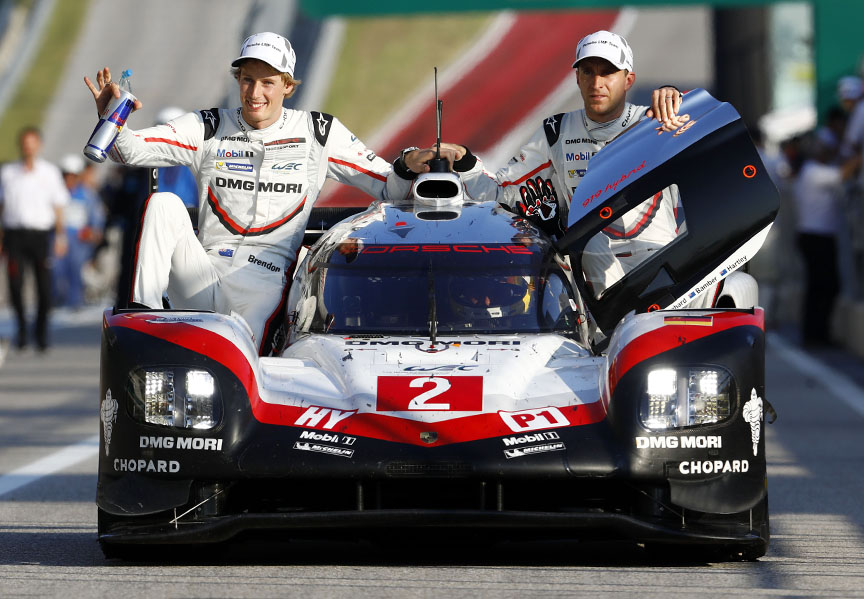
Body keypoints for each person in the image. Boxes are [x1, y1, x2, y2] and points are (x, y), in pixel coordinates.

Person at [84, 32, 406, 355]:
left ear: (288, 86)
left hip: (265, 284)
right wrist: (112, 121)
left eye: (267, 82)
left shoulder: (318, 133)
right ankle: (146, 327)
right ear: (238, 79)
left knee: (235, 366)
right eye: (247, 79)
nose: (255, 93)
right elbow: (132, 151)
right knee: (163, 203)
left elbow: (389, 184)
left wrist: (412, 166)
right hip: (204, 275)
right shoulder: (209, 125)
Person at [396, 30, 700, 301]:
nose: (597, 82)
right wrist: (465, 160)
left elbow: (709, 141)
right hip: (594, 274)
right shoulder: (556, 132)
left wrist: (679, 98)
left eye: (608, 73)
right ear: (577, 77)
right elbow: (500, 192)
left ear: (628, 80)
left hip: (663, 260)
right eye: (588, 71)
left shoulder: (659, 119)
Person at [0, 127, 69, 350]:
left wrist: (60, 236)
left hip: (40, 236)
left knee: (44, 286)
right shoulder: (8, 173)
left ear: (38, 145)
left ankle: (41, 332)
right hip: (15, 235)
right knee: (15, 284)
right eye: (25, 143)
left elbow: (58, 207)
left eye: (32, 143)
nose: (28, 147)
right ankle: (21, 330)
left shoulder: (49, 173)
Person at [793, 133, 861, 346]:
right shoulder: (815, 172)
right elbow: (843, 174)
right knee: (824, 287)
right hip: (817, 237)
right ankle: (816, 335)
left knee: (821, 287)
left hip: (815, 236)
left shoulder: (810, 171)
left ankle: (817, 334)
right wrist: (859, 156)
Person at [53, 154, 105, 309]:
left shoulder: (87, 195)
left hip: (79, 240)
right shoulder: (57, 193)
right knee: (56, 270)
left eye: (73, 176)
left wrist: (94, 232)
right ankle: (56, 301)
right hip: (59, 238)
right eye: (66, 175)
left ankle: (75, 301)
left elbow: (97, 217)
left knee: (77, 270)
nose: (69, 179)